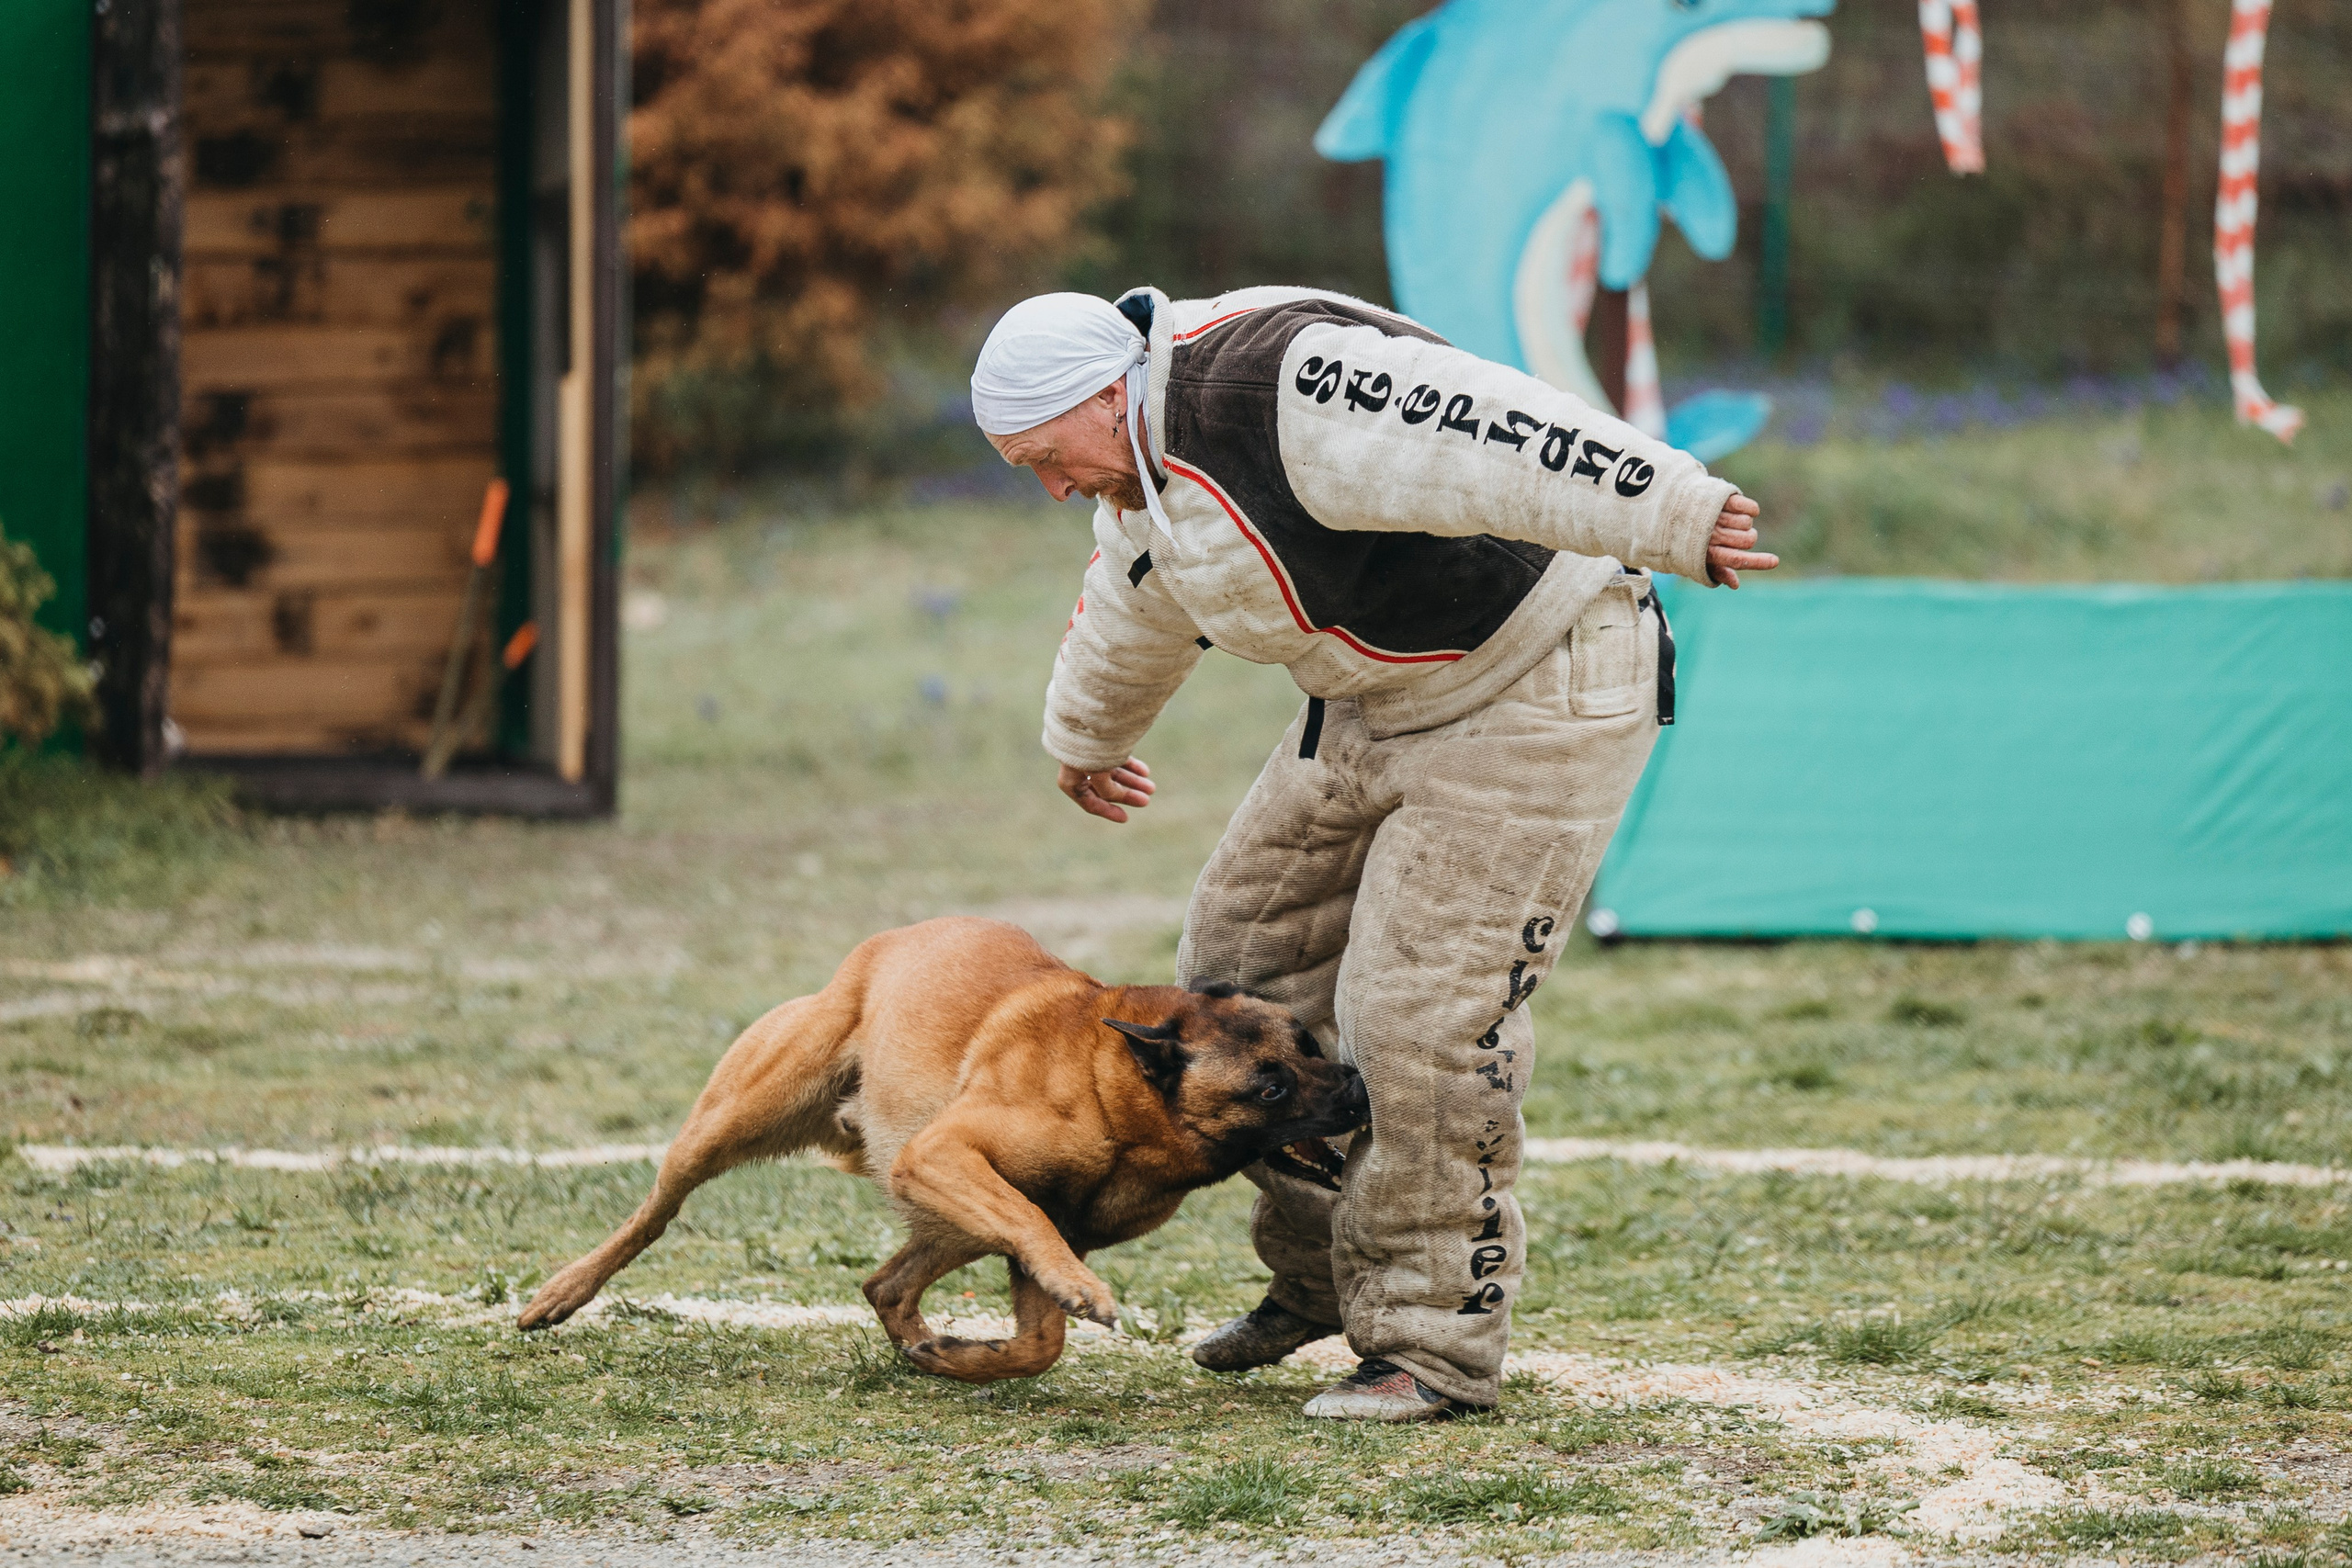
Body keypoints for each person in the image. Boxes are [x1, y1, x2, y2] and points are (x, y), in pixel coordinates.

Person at [969, 286, 1775, 1421]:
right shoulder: (1143, 470)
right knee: (1235, 974)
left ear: (1105, 396)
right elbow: (1139, 592)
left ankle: (1431, 1347)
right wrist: (1087, 739)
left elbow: (1480, 429)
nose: (1053, 487)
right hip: (1375, 704)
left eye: (1047, 457)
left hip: (1539, 681)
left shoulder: (1274, 383)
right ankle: (1316, 1281)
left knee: (1422, 1017)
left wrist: (1669, 504)